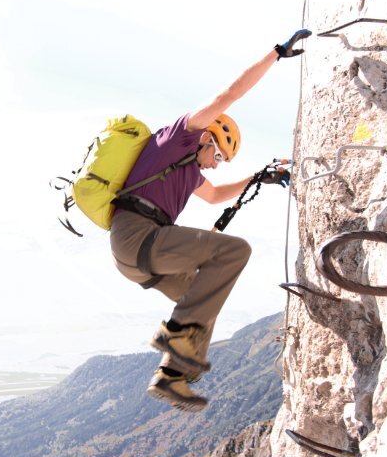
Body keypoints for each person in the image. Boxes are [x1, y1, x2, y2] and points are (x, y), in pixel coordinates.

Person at [110, 29, 311, 412]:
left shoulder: (188, 171)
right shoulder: (179, 139)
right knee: (235, 252)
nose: (215, 165)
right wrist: (276, 54)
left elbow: (217, 196)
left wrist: (257, 178)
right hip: (139, 237)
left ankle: (172, 376)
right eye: (218, 156)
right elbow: (228, 96)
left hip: (135, 254)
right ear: (207, 139)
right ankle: (177, 343)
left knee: (203, 298)